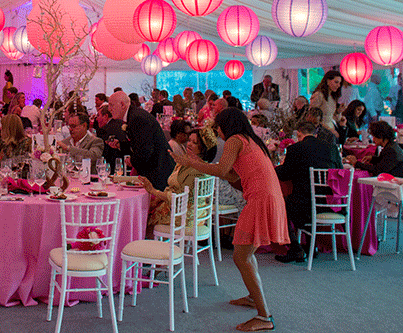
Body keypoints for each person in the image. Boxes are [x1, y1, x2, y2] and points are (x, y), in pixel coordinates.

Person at [169, 108, 287, 332]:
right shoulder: (249, 139)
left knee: (241, 257)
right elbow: (232, 175)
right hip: (267, 196)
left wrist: (191, 162)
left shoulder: (235, 140)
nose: (217, 132)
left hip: (261, 198)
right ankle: (254, 298)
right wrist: (195, 161)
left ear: (226, 125)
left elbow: (222, 170)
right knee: (245, 255)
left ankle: (264, 316)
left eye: (218, 127)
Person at [274, 121, 341, 263]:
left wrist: (274, 169)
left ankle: (295, 247)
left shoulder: (295, 149)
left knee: (280, 204)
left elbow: (285, 174)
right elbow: (339, 172)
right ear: (315, 134)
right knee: (303, 201)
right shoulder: (331, 148)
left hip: (303, 203)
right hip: (330, 202)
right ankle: (312, 246)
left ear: (299, 134)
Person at [139, 126, 206, 236]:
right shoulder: (190, 163)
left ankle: (150, 250)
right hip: (194, 212)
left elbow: (179, 198)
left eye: (194, 143)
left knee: (142, 218)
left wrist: (153, 191)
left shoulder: (195, 170)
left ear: (203, 148)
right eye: (189, 140)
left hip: (183, 216)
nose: (189, 144)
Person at [108, 91, 175, 193]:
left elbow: (146, 151)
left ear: (122, 104)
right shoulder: (133, 115)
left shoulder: (137, 118)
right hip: (156, 169)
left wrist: (132, 161)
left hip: (158, 172)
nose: (109, 109)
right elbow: (139, 143)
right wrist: (120, 145)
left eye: (111, 105)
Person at [309, 70, 344, 138]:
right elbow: (312, 117)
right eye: (336, 82)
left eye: (340, 83)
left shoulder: (332, 97)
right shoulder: (319, 95)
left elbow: (331, 117)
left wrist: (339, 112)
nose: (338, 85)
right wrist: (330, 130)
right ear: (327, 81)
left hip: (331, 132)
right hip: (321, 133)